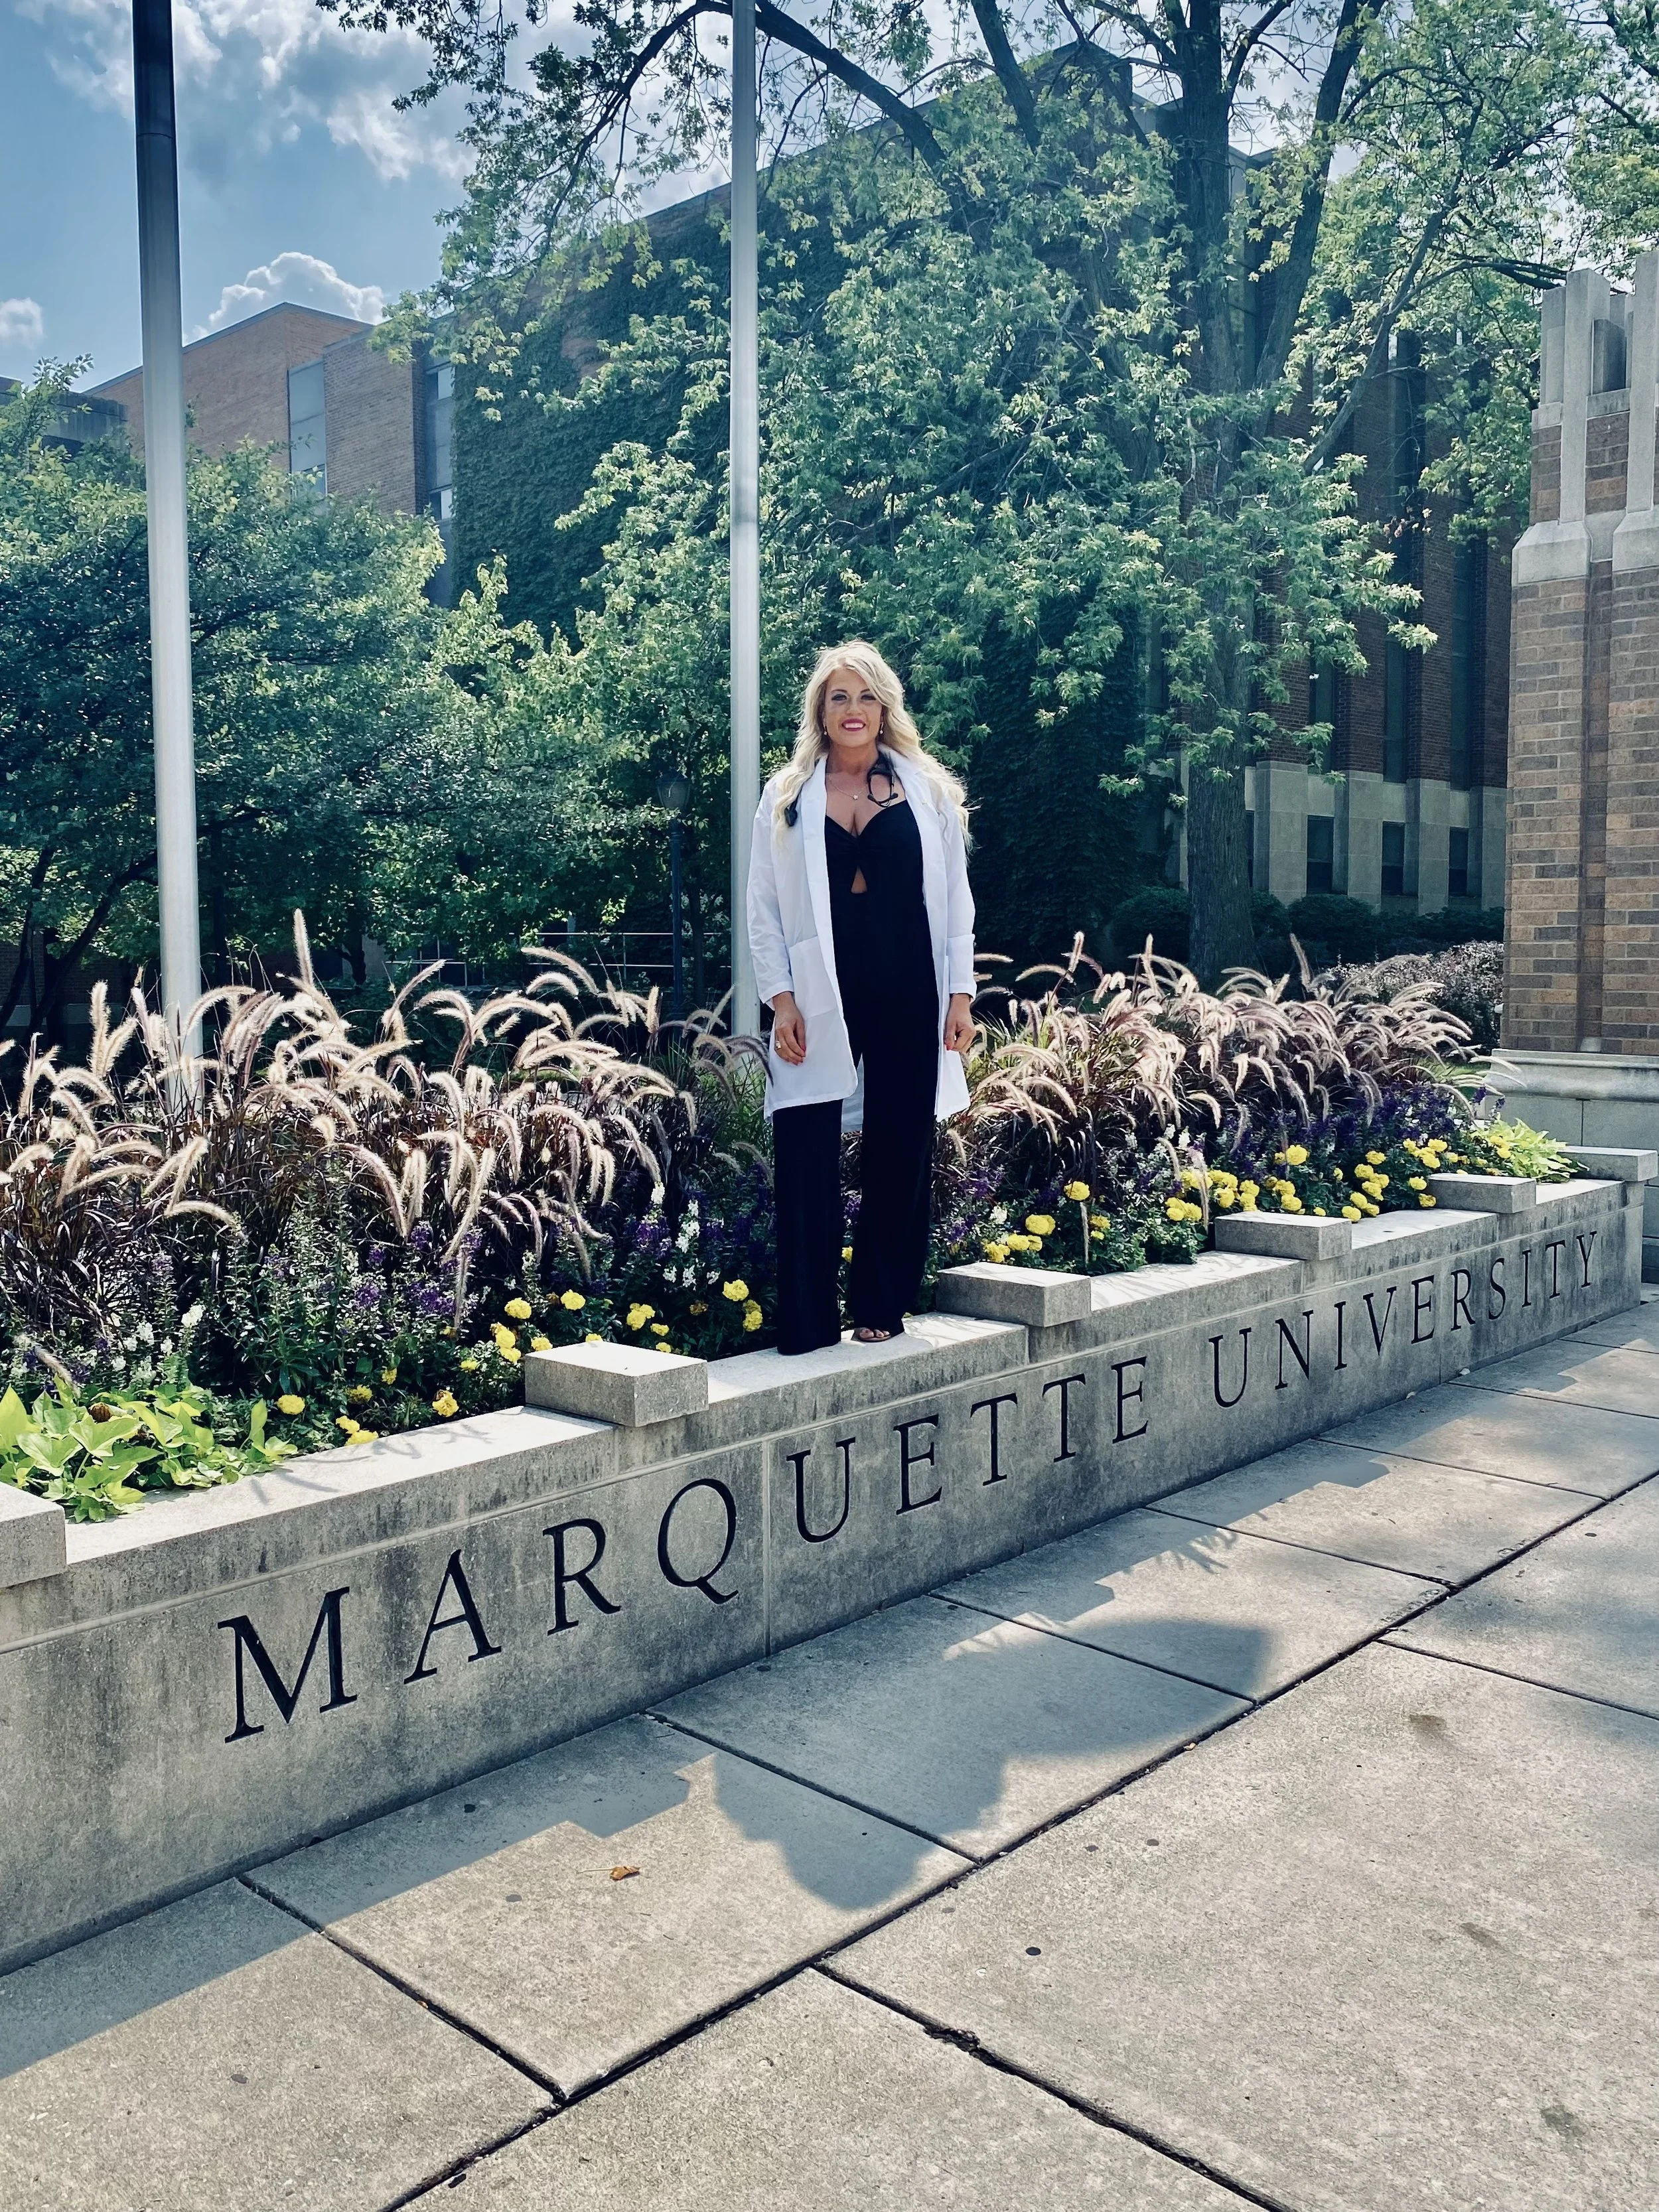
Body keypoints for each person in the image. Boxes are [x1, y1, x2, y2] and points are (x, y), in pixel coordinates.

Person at [747, 641, 975, 1352]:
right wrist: (780, 997)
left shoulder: (927, 791)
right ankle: (809, 1319)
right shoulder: (787, 793)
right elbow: (762, 906)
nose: (853, 710)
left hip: (911, 978)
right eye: (838, 697)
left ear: (885, 707)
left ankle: (881, 1301)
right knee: (805, 1140)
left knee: (901, 1142)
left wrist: (960, 994)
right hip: (819, 986)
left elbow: (957, 899)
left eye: (866, 696)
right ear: (821, 709)